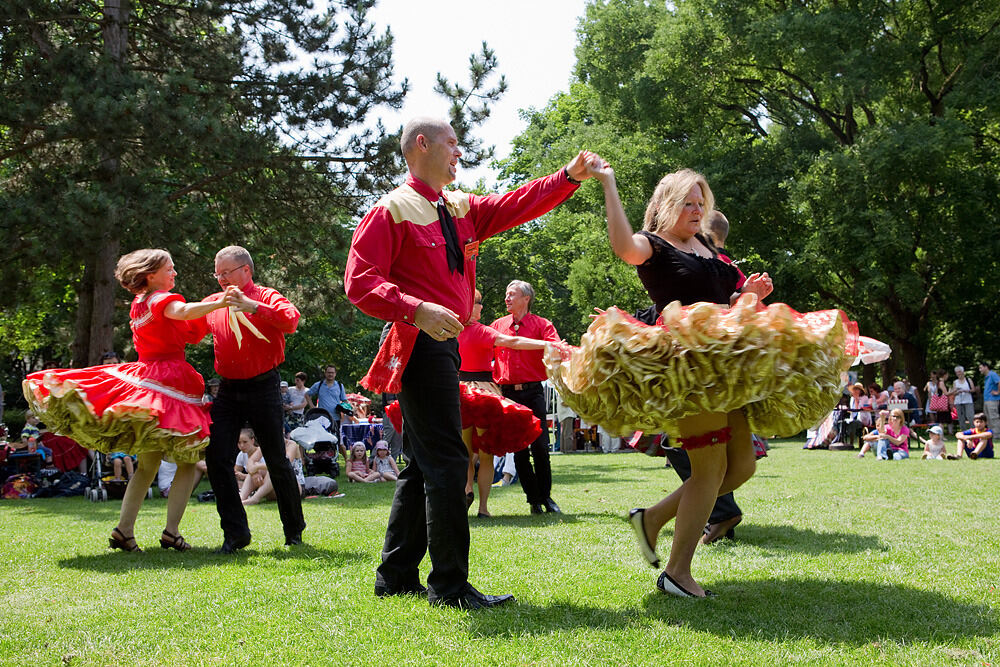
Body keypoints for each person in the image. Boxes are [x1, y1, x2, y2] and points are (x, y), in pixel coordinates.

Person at [344, 115, 597, 609]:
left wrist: (566, 177)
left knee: (423, 463)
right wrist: (415, 308)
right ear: (422, 145)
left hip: (443, 345)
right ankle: (451, 587)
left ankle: (396, 575)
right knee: (445, 461)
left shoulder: (458, 206)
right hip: (419, 344)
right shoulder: (390, 210)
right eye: (452, 142)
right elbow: (359, 284)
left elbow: (513, 204)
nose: (460, 151)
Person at [587, 162, 779, 598]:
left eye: (700, 203)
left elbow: (725, 301)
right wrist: (609, 182)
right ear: (667, 204)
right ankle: (677, 572)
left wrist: (749, 293)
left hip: (727, 363)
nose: (696, 210)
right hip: (687, 368)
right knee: (709, 470)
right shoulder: (654, 246)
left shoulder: (707, 245)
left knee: (741, 466)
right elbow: (622, 244)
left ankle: (651, 519)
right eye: (687, 203)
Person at [23, 248, 226, 552]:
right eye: (169, 269)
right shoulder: (160, 299)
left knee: (147, 465)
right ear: (150, 275)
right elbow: (182, 314)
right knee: (188, 461)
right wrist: (221, 301)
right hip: (167, 379)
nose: (174, 273)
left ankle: (124, 531)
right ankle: (170, 532)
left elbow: (181, 324)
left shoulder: (139, 303)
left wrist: (209, 306)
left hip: (149, 375)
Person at [203, 245, 306, 553]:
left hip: (264, 386)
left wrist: (251, 305)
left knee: (276, 459)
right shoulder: (214, 302)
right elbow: (186, 326)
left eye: (226, 272)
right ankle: (235, 534)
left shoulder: (266, 296)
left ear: (245, 271)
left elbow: (291, 321)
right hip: (228, 390)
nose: (221, 279)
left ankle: (294, 531)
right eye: (217, 273)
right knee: (216, 457)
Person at [459, 288, 549, 517]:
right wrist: (545, 345)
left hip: (459, 391)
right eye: (478, 303)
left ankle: (467, 489)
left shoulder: (452, 331)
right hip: (484, 392)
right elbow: (516, 342)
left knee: (465, 451)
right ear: (470, 306)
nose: (481, 307)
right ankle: (483, 508)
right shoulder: (484, 331)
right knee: (486, 452)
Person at [489, 280, 562, 515]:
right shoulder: (497, 326)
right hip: (508, 395)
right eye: (506, 294)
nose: (506, 299)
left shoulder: (542, 324)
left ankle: (546, 497)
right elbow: (482, 351)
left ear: (526, 298)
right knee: (519, 449)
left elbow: (556, 347)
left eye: (512, 295)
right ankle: (533, 500)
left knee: (540, 447)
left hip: (533, 392)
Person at [949, 366, 976, 432]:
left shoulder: (968, 380)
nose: (958, 373)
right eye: (957, 372)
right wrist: (957, 392)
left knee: (970, 416)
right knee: (961, 418)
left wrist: (966, 390)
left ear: (963, 372)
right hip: (958, 402)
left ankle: (974, 430)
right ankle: (964, 432)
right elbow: (953, 393)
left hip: (968, 401)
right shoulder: (955, 382)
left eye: (959, 372)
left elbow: (973, 389)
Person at [978, 362, 1000, 435]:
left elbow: (999, 382)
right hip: (987, 400)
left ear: (986, 367)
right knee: (988, 418)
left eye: (981, 368)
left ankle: (997, 434)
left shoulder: (992, 374)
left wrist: (998, 392)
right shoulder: (987, 376)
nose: (979, 370)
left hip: (992, 400)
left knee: (994, 417)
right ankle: (991, 434)